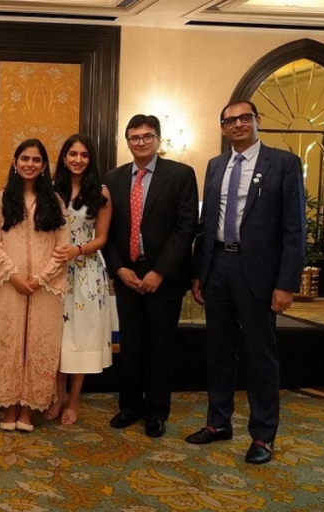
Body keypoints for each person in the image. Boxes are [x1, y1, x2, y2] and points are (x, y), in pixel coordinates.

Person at [186, 101, 305, 465]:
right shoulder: (216, 165)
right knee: (219, 351)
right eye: (230, 120)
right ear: (222, 128)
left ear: (257, 122)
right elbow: (207, 226)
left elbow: (294, 228)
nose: (237, 124)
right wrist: (199, 273)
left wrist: (286, 283)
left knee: (260, 355)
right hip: (218, 266)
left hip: (259, 274)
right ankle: (218, 423)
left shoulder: (283, 164)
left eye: (244, 118)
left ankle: (263, 436)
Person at [104, 115, 198, 438]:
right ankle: (129, 406)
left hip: (165, 275)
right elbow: (107, 231)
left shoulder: (181, 175)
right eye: (134, 137)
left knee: (160, 346)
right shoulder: (113, 179)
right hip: (127, 272)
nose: (140, 142)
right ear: (127, 141)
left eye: (147, 137)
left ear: (158, 139)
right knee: (130, 344)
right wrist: (118, 268)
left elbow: (186, 228)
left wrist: (160, 271)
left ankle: (156, 412)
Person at [0, 139, 70, 432]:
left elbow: (63, 245)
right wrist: (14, 275)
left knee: (39, 343)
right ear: (15, 163)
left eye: (36, 160)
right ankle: (8, 406)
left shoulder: (54, 202)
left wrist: (41, 278)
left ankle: (29, 409)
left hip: (46, 285)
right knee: (7, 341)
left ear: (44, 166)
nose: (30, 164)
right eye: (24, 159)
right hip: (8, 283)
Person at [44, 134, 114, 425]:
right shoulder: (50, 190)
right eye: (72, 154)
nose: (78, 159)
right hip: (56, 269)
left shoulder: (101, 192)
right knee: (57, 336)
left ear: (90, 159)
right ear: (63, 157)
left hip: (86, 271)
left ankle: (73, 400)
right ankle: (57, 395)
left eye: (84, 155)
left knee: (81, 336)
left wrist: (77, 250)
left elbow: (102, 238)